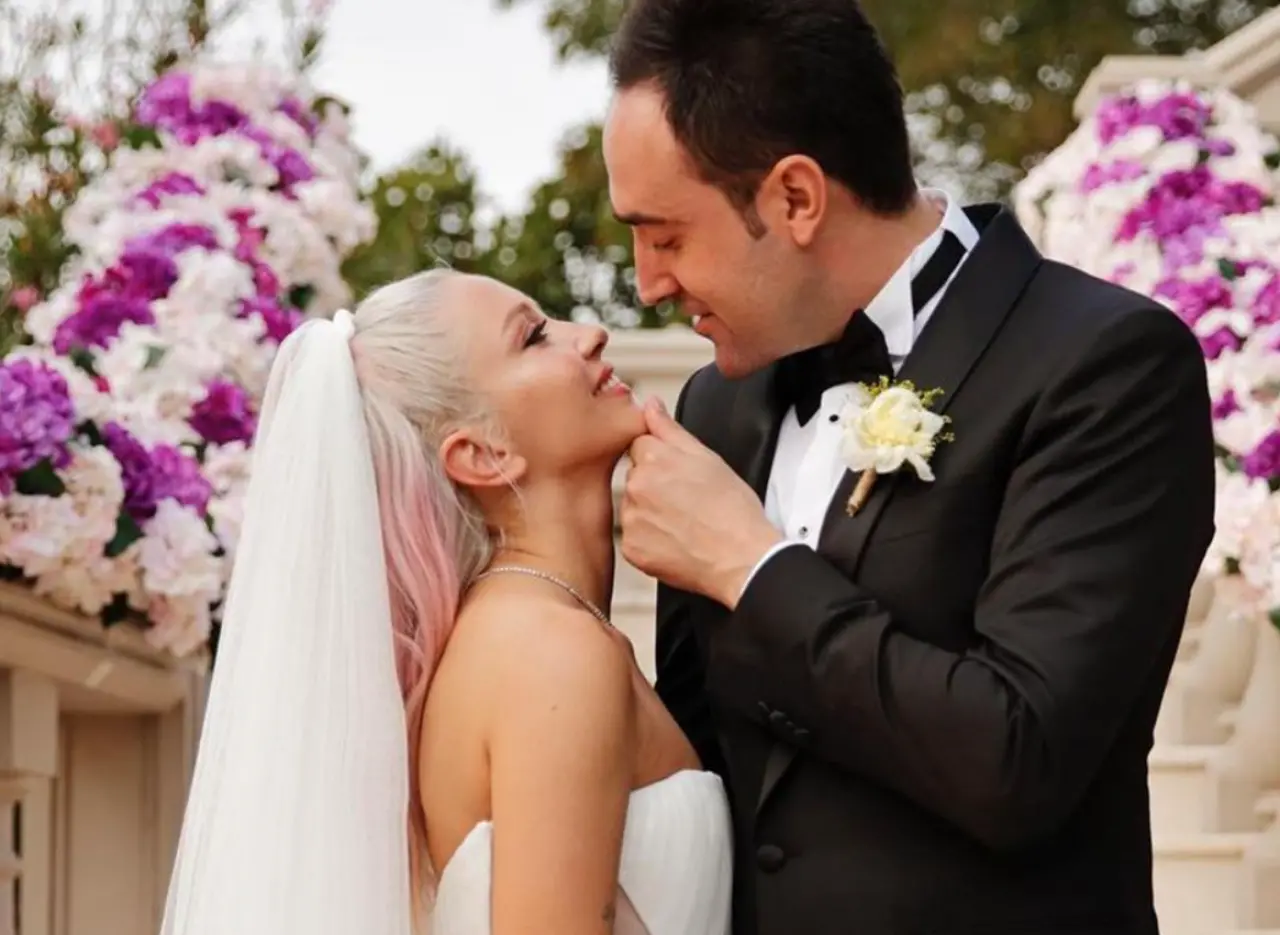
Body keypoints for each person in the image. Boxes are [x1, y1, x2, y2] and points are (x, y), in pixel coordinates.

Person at [602, 2, 1217, 935]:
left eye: (666, 236)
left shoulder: (1107, 366)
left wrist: (751, 568)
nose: (647, 281)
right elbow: (703, 772)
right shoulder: (714, 408)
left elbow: (1020, 758)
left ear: (796, 198)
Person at [156, 269, 732, 935]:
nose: (590, 335)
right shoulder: (551, 652)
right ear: (483, 454)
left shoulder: (522, 635)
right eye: (534, 336)